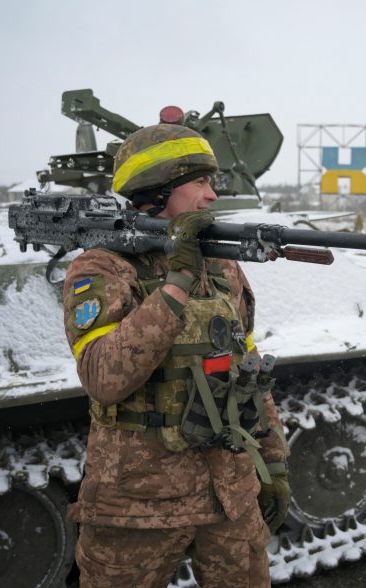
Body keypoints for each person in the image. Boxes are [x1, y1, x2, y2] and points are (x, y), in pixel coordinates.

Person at [62, 120, 290, 587]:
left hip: (229, 495)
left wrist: (274, 461)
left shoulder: (220, 263)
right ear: (158, 190)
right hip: (136, 508)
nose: (211, 196)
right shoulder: (101, 267)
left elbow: (246, 366)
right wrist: (177, 281)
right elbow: (104, 376)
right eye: (200, 182)